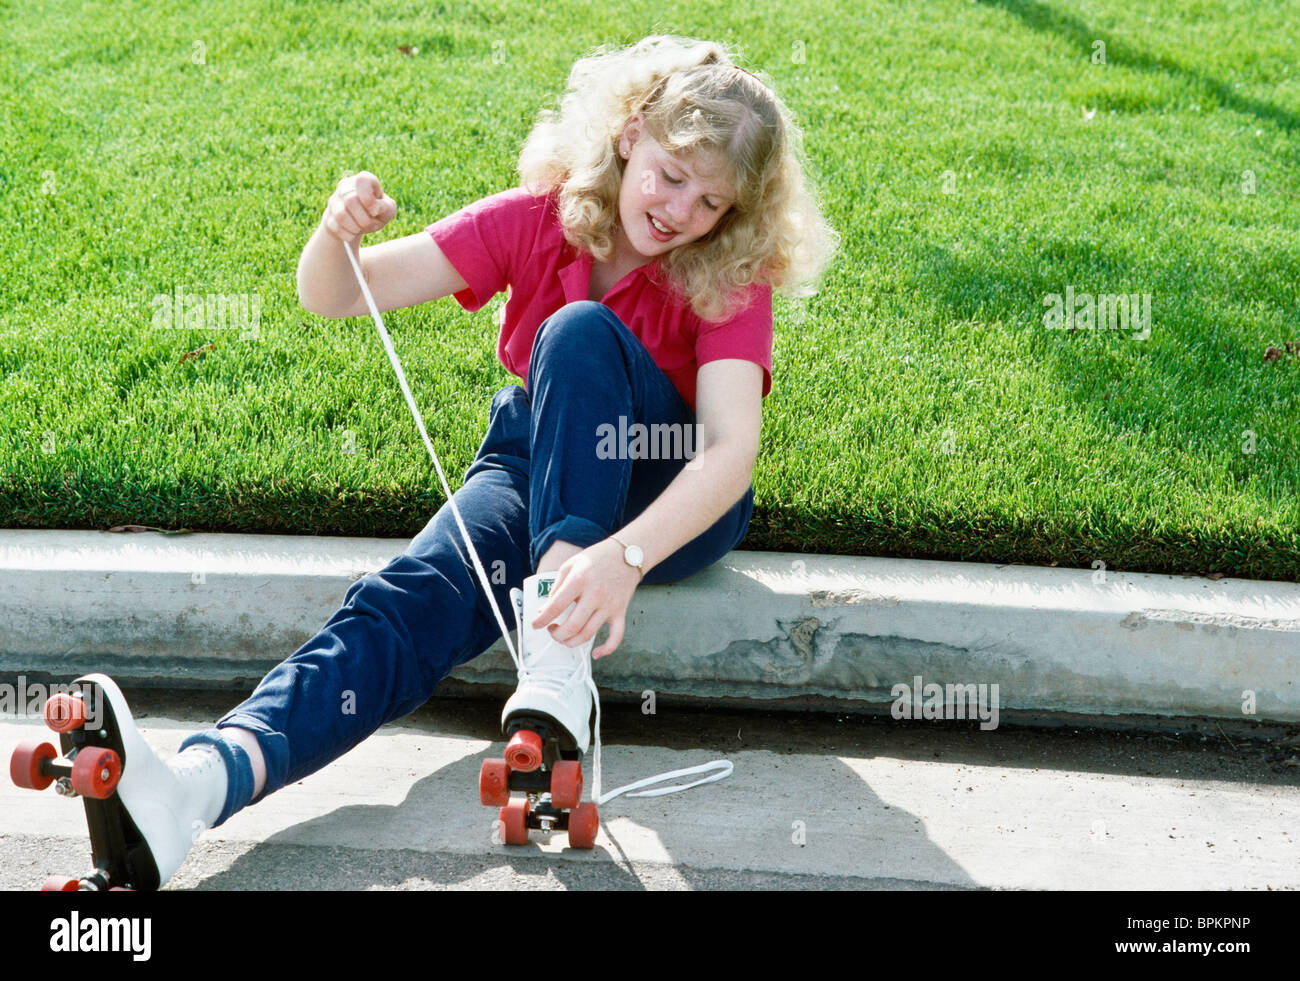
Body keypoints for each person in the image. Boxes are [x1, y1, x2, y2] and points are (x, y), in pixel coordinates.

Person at [65, 33, 838, 888]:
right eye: (670, 174)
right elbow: (335, 294)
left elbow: (730, 454)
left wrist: (622, 558)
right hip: (535, 459)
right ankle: (200, 785)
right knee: (405, 600)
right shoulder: (538, 217)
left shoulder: (730, 272)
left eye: (711, 201)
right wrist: (335, 233)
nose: (679, 210)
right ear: (628, 136)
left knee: (578, 334)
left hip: (669, 488)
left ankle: (554, 663)